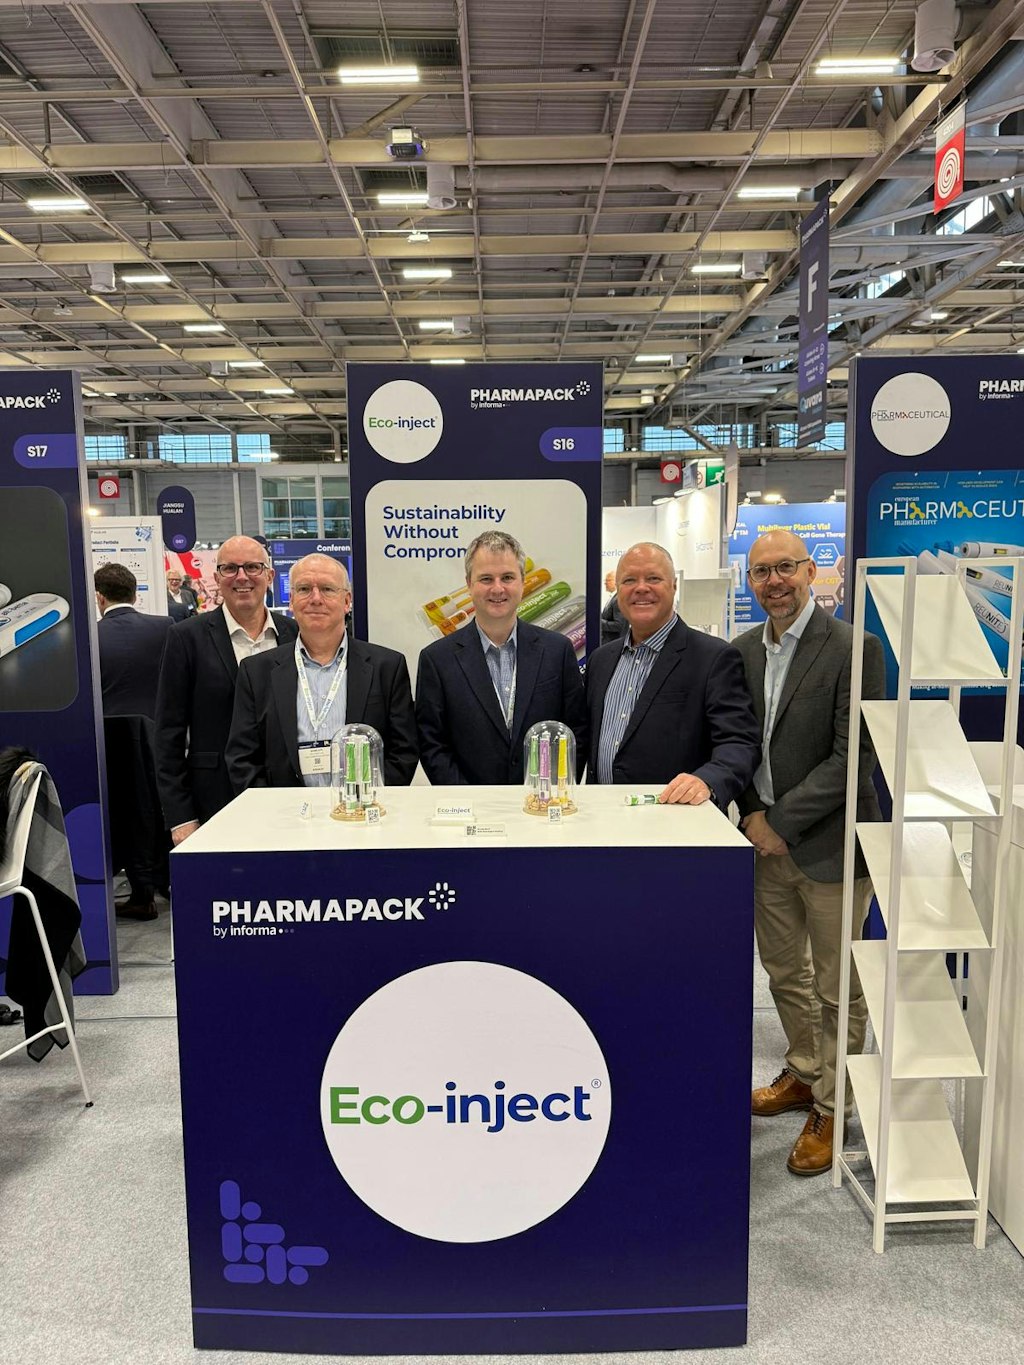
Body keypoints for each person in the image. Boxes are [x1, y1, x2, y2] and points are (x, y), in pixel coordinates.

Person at [733, 530, 884, 1177]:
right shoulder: (742, 650)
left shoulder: (854, 648)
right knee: (783, 972)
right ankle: (803, 1070)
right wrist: (751, 815)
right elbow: (736, 741)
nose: (774, 581)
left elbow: (855, 756)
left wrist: (779, 823)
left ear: (811, 571)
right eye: (761, 571)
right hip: (764, 844)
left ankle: (831, 1103)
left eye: (785, 567)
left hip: (830, 847)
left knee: (837, 985)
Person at [585, 541, 759, 807]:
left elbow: (739, 742)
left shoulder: (714, 658)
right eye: (629, 580)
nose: (641, 588)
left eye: (653, 578)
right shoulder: (601, 660)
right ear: (618, 591)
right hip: (605, 816)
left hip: (677, 818)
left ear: (674, 586)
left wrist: (707, 781)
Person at [226, 554, 418, 791]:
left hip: (363, 810)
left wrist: (363, 803)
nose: (315, 599)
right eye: (304, 589)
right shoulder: (256, 672)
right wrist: (276, 808)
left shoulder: (387, 667)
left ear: (347, 601)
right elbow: (242, 758)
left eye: (327, 589)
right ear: (291, 600)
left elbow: (404, 753)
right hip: (283, 811)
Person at [155, 536, 298, 845]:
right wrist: (181, 816)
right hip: (213, 799)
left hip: (287, 800)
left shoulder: (294, 634)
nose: (242, 576)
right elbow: (168, 733)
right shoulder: (186, 638)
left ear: (269, 576)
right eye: (230, 568)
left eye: (252, 567)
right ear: (217, 577)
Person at [414, 531, 587, 784]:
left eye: (507, 577)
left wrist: (553, 790)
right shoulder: (437, 659)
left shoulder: (557, 651)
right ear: (469, 584)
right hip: (469, 804)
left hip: (543, 800)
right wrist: (467, 799)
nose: (498, 588)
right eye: (486, 578)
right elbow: (432, 744)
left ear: (522, 581)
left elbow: (576, 731)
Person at [95, 562, 173, 920]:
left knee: (126, 818)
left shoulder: (90, 636)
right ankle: (165, 882)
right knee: (163, 812)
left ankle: (141, 892)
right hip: (161, 740)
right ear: (135, 594)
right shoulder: (165, 628)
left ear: (99, 598)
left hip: (108, 747)